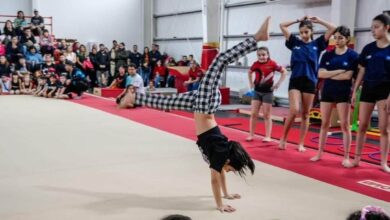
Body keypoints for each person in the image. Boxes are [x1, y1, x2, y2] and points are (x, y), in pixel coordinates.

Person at [119, 16, 271, 213]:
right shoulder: (221, 154)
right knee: (220, 60)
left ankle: (134, 98)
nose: (228, 172)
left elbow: (220, 174)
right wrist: (220, 204)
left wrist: (227, 194)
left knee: (168, 102)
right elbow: (215, 179)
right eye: (232, 169)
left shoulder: (222, 155)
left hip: (203, 105)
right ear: (229, 161)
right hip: (205, 104)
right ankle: (257, 38)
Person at [278, 16, 336, 152]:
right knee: (294, 110)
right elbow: (282, 25)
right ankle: (283, 139)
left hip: (310, 81)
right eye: (301, 32)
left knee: (305, 114)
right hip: (295, 80)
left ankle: (301, 143)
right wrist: (298, 20)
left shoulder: (318, 44)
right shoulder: (294, 42)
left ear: (311, 32)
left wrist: (320, 20)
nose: (303, 35)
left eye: (306, 32)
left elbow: (333, 28)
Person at [309, 26, 359, 167]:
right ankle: (319, 153)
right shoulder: (327, 55)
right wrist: (338, 71)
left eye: (340, 38)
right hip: (328, 92)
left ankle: (346, 156)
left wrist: (331, 73)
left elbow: (348, 76)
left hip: (343, 93)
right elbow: (320, 74)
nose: (337, 40)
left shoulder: (353, 56)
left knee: (344, 125)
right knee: (325, 123)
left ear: (347, 39)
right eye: (335, 37)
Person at [351, 14, 390, 173]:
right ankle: (357, 159)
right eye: (371, 27)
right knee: (362, 126)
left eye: (376, 27)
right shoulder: (368, 48)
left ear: (387, 28)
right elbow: (361, 71)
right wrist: (355, 90)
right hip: (368, 89)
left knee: (384, 128)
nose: (372, 30)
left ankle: (383, 162)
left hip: (385, 90)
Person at [246, 46, 287, 142]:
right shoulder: (255, 64)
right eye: (259, 55)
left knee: (267, 115)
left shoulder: (272, 64)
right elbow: (249, 72)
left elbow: (284, 72)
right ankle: (251, 135)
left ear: (268, 55)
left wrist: (278, 84)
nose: (261, 57)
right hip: (257, 91)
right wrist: (251, 83)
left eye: (263, 55)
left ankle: (268, 136)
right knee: (254, 113)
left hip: (268, 92)